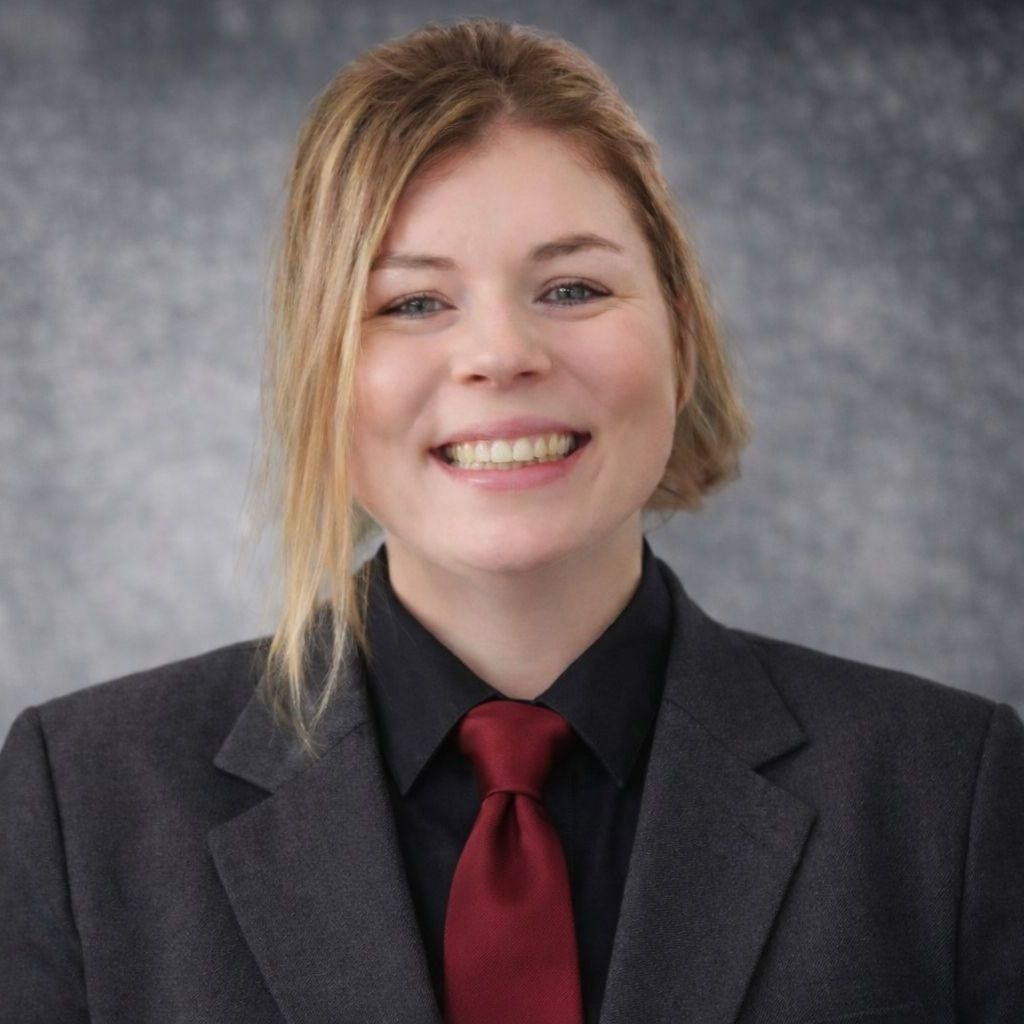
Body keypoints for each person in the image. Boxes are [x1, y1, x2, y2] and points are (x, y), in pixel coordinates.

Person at [1, 16, 1021, 1024]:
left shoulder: (948, 793)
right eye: (412, 303)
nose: (500, 353)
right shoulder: (80, 802)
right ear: (322, 375)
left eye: (572, 287)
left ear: (684, 340)